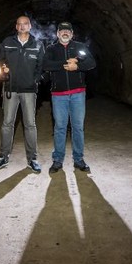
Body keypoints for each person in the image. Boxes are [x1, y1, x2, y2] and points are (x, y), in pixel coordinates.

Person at [0, 15, 45, 173]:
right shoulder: (7, 42)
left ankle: (32, 159)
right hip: (10, 89)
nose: (22, 26)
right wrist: (2, 69)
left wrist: (35, 80)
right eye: (19, 24)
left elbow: (41, 67)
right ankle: (3, 157)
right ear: (16, 26)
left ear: (30, 26)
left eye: (25, 24)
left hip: (29, 90)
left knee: (30, 124)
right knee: (7, 123)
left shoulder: (38, 44)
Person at [43, 21, 96, 174]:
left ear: (72, 34)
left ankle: (78, 159)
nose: (65, 33)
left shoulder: (79, 47)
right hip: (58, 95)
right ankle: (57, 160)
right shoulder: (51, 49)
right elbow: (46, 65)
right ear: (57, 33)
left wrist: (77, 65)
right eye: (62, 31)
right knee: (60, 128)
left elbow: (91, 62)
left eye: (68, 31)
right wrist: (66, 63)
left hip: (78, 94)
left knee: (78, 127)